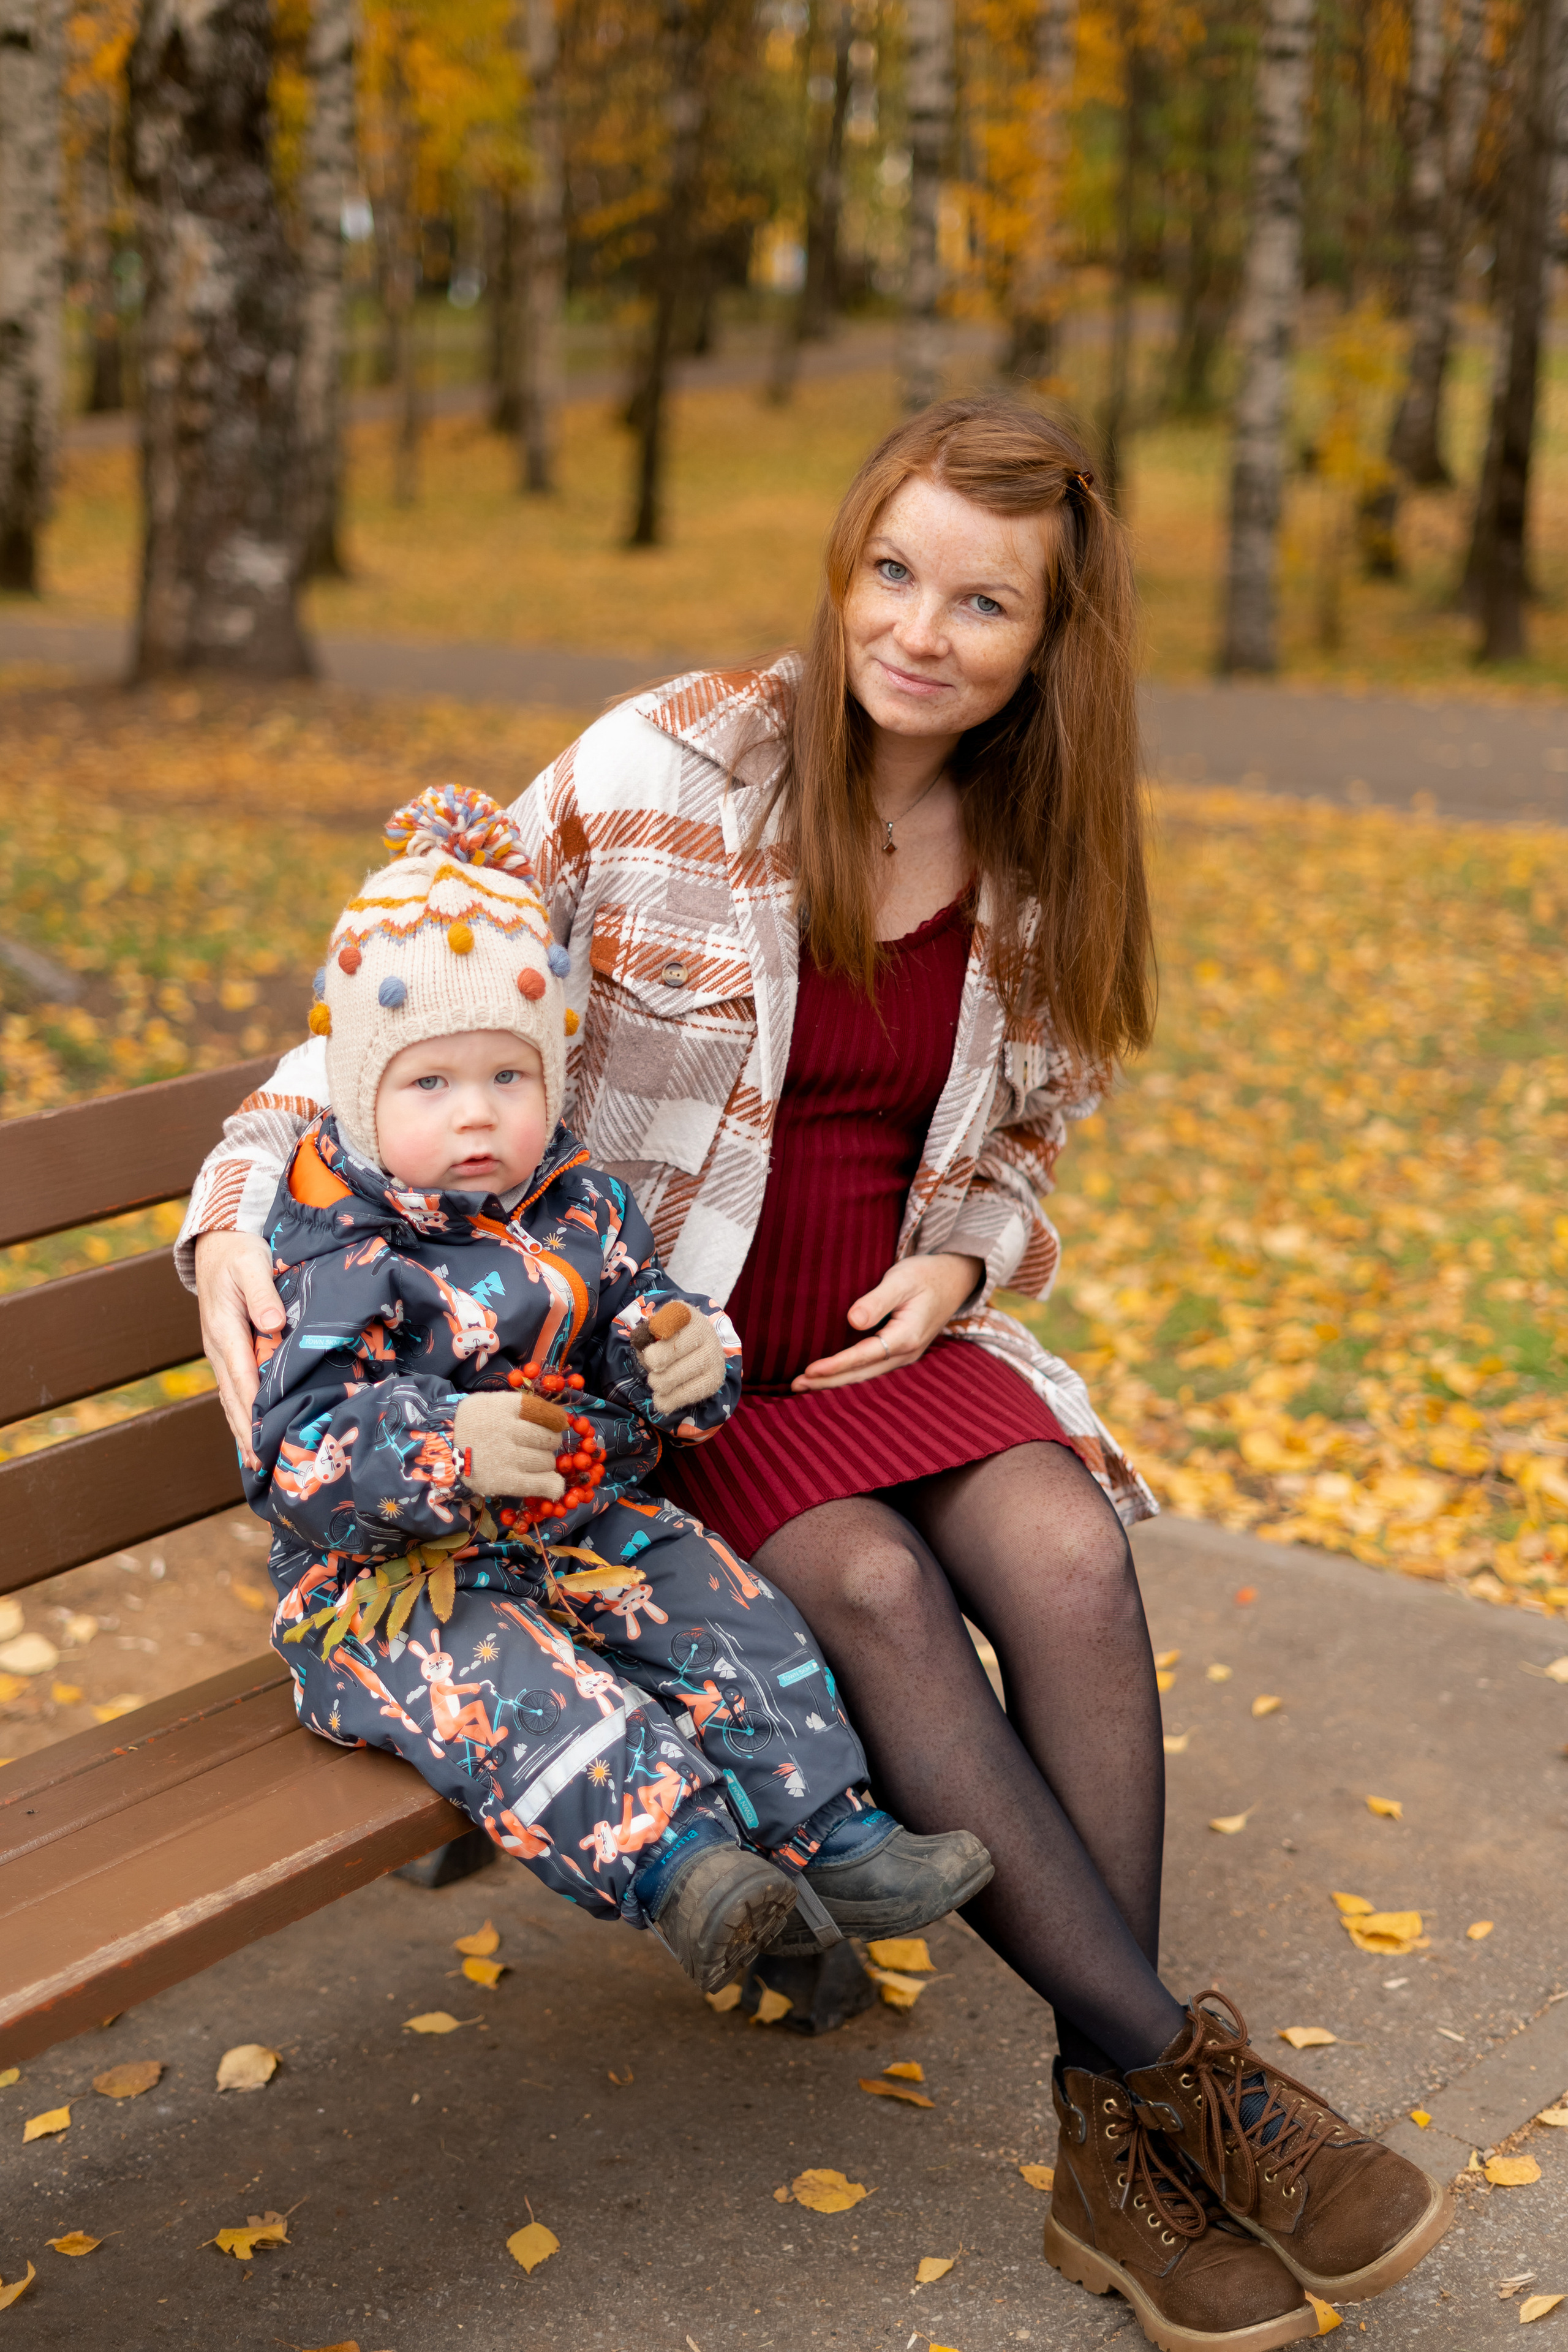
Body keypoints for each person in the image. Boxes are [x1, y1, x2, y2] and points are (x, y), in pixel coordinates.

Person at [189, 396, 1451, 2346]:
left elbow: (1031, 1139)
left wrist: (965, 1254)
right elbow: (386, 1006)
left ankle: (1109, 2132)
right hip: (672, 1370)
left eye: (983, 602)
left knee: (1063, 1550)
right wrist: (223, 1222)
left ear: (1050, 641)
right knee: (863, 1579)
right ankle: (1185, 2089)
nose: (921, 631)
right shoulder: (668, 766)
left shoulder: (1038, 841)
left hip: (887, 1337)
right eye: (893, 571)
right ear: (846, 562)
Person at [243, 785, 990, 1999]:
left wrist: (682, 1356)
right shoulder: (337, 1243)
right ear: (361, 1092)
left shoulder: (578, 1198)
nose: (478, 1112)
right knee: (536, 1694)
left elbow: (641, 1310)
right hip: (388, 1587)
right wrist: (443, 1447)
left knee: (731, 1617)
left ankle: (831, 1832)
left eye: (509, 1076)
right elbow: (295, 1456)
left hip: (575, 1526)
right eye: (431, 1085)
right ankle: (691, 1874)